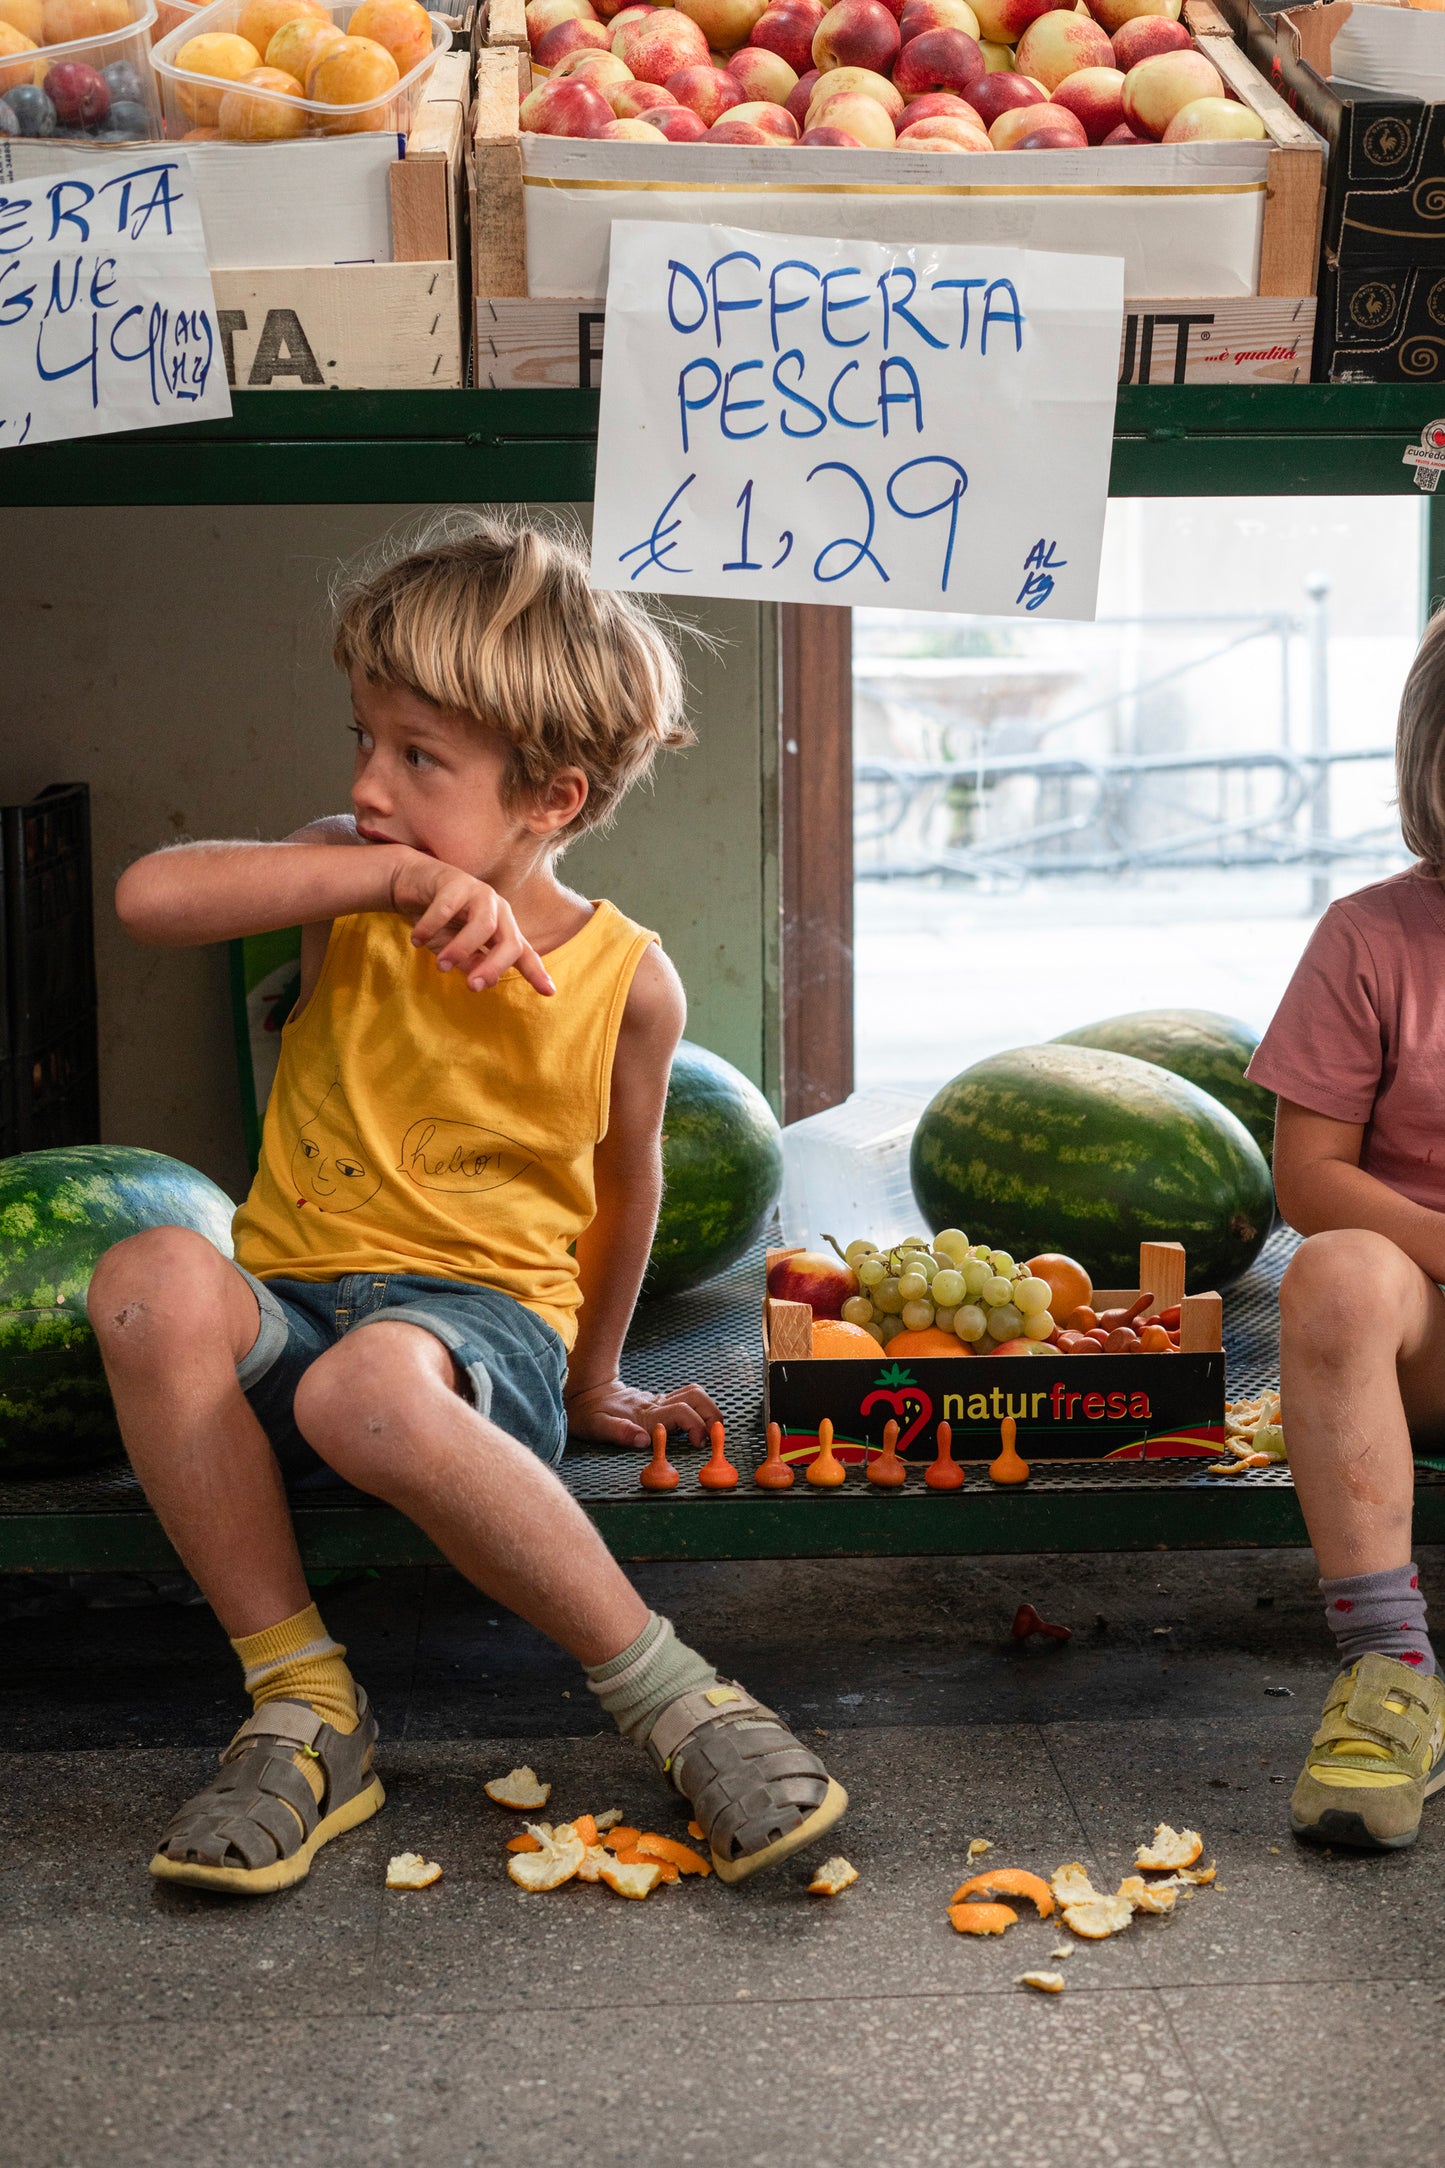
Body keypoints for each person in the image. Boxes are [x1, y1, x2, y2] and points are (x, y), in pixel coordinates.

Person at [89, 514, 846, 1895]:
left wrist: (595, 1379)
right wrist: (381, 870)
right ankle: (305, 1704)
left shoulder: (629, 981)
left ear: (551, 798)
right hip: (291, 1321)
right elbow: (149, 896)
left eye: (419, 760)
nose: (372, 786)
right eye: (363, 741)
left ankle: (679, 1700)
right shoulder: (350, 879)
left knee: (371, 1390)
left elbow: (630, 1187)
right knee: (148, 1276)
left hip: (469, 1342)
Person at [1247, 609, 1445, 1852]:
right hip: (1426, 1325)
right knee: (1331, 1276)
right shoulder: (1368, 937)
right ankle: (1390, 1671)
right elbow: (1307, 1175)